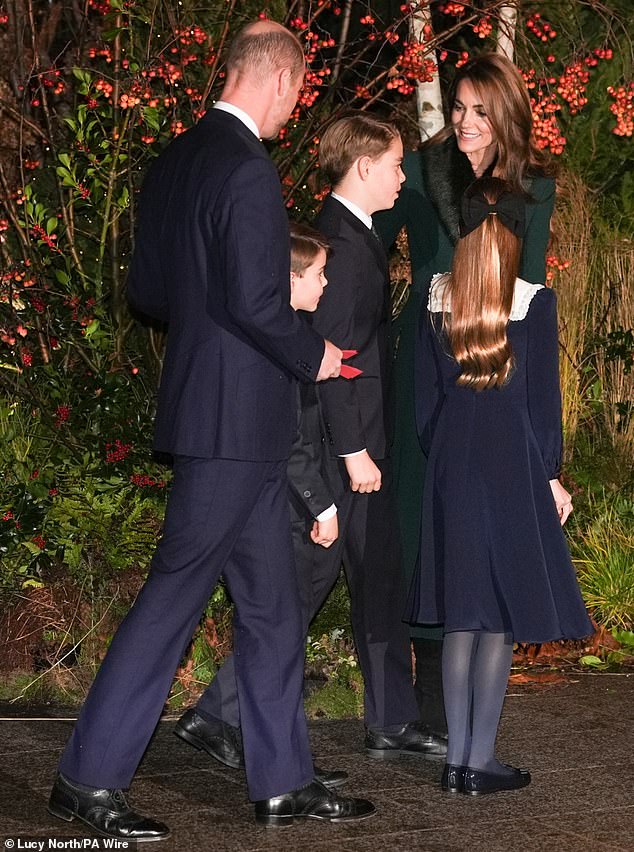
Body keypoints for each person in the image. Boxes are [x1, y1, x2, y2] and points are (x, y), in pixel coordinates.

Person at [47, 21, 376, 840]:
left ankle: (282, 780)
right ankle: (85, 780)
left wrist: (221, 334)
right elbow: (261, 304)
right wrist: (320, 357)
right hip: (235, 424)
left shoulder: (177, 160)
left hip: (229, 418)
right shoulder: (247, 170)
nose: (293, 113)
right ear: (277, 83)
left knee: (270, 608)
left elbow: (154, 292)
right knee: (173, 599)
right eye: (297, 96)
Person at [175, 113, 447, 772]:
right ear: (363, 168)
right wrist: (352, 453)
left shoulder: (356, 236)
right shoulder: (340, 248)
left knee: (377, 579)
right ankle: (216, 716)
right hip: (337, 451)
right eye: (392, 165)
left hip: (361, 446)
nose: (400, 176)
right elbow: (326, 362)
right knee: (299, 590)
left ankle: (392, 719)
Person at [375, 53, 557, 740]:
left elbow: (531, 300)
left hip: (498, 382)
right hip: (426, 372)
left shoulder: (533, 191)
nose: (465, 122)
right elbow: (368, 242)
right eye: (457, 108)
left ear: (507, 114)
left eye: (480, 111)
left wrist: (541, 438)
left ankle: (460, 731)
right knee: (423, 523)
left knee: (482, 531)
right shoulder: (420, 173)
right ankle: (422, 715)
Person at [408, 176, 593, 796]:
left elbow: (424, 407)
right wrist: (551, 474)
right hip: (512, 464)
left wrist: (447, 452)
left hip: (453, 466)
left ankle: (457, 760)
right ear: (518, 232)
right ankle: (478, 760)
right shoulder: (533, 302)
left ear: (461, 230)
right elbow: (545, 405)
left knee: (464, 613)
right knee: (500, 618)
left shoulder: (436, 297)